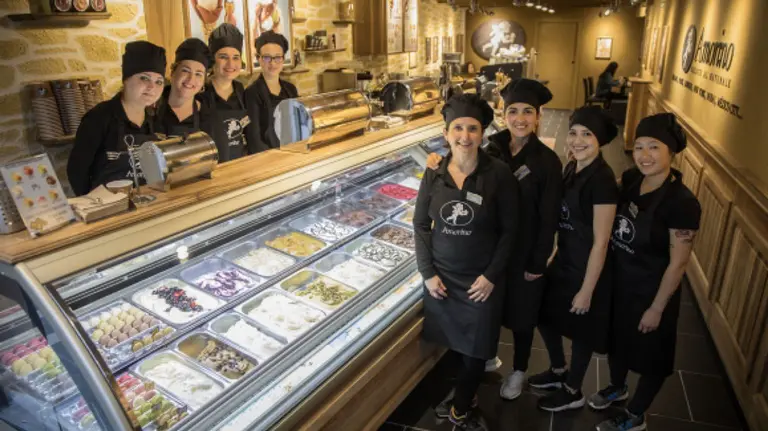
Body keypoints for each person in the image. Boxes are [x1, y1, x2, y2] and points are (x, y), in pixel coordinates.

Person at [426, 79, 563, 393]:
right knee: (490, 308)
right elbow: (466, 163)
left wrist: (538, 262)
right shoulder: (494, 146)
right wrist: (438, 162)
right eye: (513, 110)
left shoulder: (547, 162)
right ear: (504, 112)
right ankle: (486, 356)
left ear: (538, 117)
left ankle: (519, 369)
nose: (520, 118)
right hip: (489, 249)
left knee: (524, 315)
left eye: (528, 112)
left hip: (526, 249)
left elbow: (549, 218)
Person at [591, 113, 701, 431]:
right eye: (639, 147)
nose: (644, 155)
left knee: (653, 355)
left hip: (654, 289)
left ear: (671, 152)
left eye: (654, 147)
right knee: (619, 341)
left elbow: (679, 263)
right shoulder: (630, 180)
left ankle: (636, 414)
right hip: (622, 281)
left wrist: (656, 307)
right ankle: (617, 387)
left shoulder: (682, 203)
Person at [415, 94, 519, 431]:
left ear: (483, 133)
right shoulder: (434, 172)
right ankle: (467, 397)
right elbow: (420, 224)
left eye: (472, 128)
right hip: (443, 279)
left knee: (478, 352)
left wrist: (491, 276)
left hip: (480, 282)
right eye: (457, 128)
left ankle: (460, 409)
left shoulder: (499, 174)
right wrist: (428, 273)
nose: (465, 136)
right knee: (457, 346)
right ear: (445, 133)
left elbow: (510, 230)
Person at [529, 106, 619, 412]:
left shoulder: (603, 181)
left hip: (588, 269)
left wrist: (586, 291)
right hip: (565, 260)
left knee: (582, 331)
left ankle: (573, 389)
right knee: (544, 315)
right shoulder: (572, 167)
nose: (578, 140)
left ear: (600, 140)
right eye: (574, 132)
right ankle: (557, 370)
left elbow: (601, 241)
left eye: (587, 135)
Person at [67, 41, 166, 196]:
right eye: (144, 78)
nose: (152, 87)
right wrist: (93, 204)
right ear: (126, 79)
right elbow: (77, 170)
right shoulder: (99, 118)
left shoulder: (156, 120)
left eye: (159, 81)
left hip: (148, 202)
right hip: (109, 207)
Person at [200, 23, 254, 162]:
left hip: (241, 165)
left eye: (235, 57)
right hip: (213, 169)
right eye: (223, 57)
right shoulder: (201, 94)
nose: (231, 64)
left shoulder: (242, 90)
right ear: (213, 60)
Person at [245, 30, 299, 152]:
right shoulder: (252, 93)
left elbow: (297, 126)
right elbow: (254, 140)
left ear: (283, 59)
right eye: (267, 57)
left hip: (292, 154)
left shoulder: (291, 89)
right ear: (258, 59)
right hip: (267, 160)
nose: (273, 63)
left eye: (277, 57)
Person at [154, 38, 214, 140]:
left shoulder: (206, 114)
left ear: (203, 81)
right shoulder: (151, 107)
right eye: (185, 70)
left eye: (198, 74)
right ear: (173, 72)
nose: (191, 79)